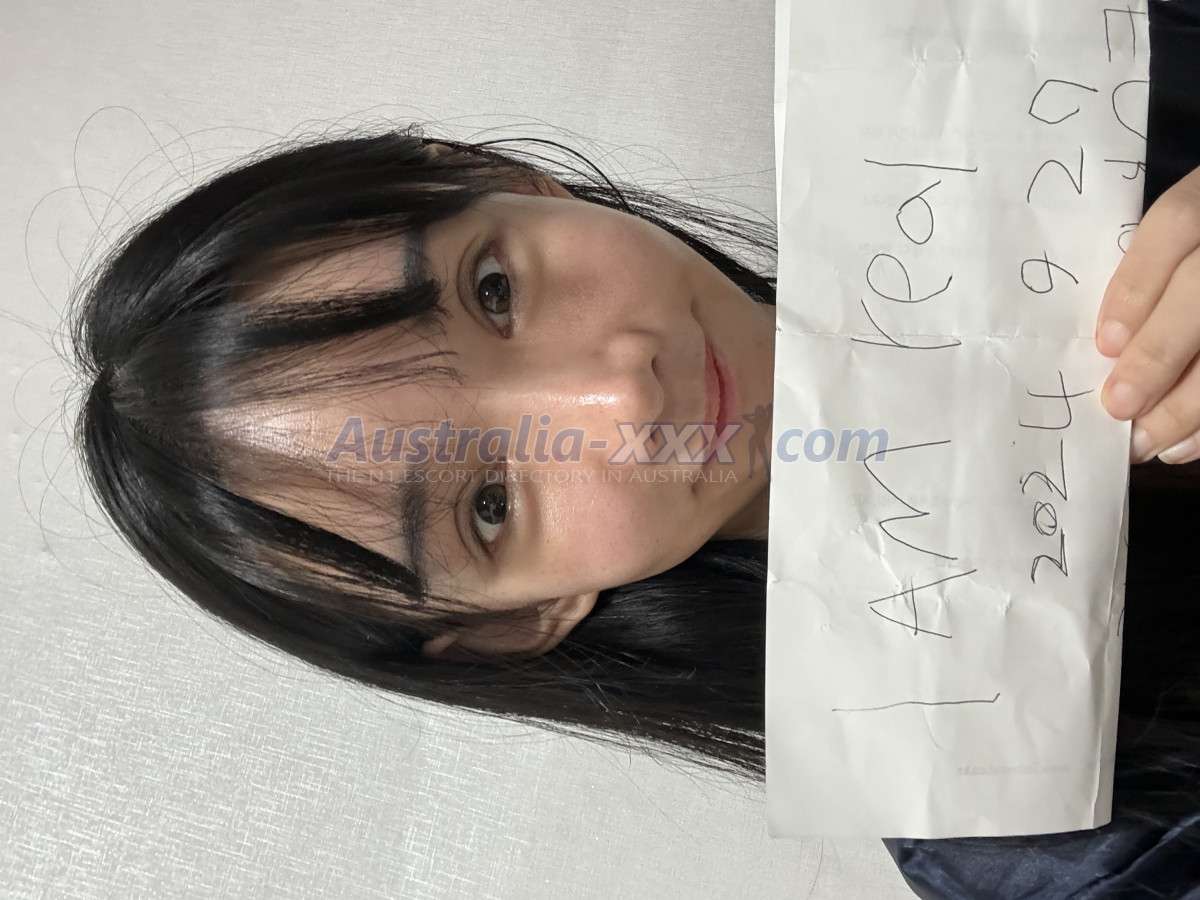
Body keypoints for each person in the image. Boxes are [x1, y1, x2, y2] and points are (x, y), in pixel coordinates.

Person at [70, 1, 1200, 895]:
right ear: (517, 620)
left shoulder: (1069, 46)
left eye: (496, 290)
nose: (619, 393)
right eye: (491, 503)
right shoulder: (1033, 829)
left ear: (498, 177)